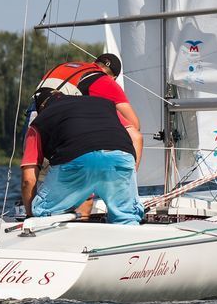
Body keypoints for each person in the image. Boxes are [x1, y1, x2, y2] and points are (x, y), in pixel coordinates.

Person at [20, 89, 143, 225]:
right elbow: (136, 136)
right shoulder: (104, 104)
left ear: (41, 107)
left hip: (76, 160)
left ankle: (46, 223)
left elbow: (28, 180)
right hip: (121, 157)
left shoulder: (39, 122)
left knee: (44, 213)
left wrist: (31, 216)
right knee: (126, 217)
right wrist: (129, 175)